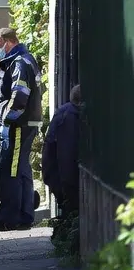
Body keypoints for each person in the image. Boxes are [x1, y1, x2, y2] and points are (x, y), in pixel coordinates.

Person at [0, 26, 43, 232]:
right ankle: (24, 216)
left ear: (7, 42)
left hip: (18, 125)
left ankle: (9, 219)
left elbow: (19, 97)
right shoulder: (24, 60)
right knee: (22, 171)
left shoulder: (19, 63)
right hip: (25, 124)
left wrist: (6, 121)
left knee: (10, 172)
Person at [43, 85, 81, 216]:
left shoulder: (64, 112)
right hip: (63, 181)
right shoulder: (70, 117)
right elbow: (67, 158)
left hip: (57, 177)